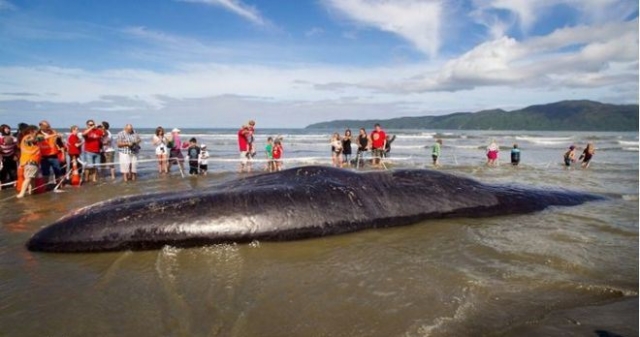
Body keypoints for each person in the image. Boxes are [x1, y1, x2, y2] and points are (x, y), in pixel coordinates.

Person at [37, 120, 65, 187]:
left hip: (54, 155)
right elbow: (41, 138)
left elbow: (60, 143)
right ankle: (45, 186)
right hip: (43, 156)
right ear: (41, 126)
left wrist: (63, 153)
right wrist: (54, 134)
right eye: (46, 126)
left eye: (48, 126)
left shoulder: (53, 132)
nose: (47, 127)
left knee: (58, 171)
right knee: (45, 173)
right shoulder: (38, 134)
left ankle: (60, 185)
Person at [17, 125, 40, 198]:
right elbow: (32, 140)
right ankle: (21, 193)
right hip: (30, 162)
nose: (37, 132)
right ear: (32, 131)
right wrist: (53, 135)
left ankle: (32, 192)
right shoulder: (28, 138)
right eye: (36, 131)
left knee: (32, 178)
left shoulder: (27, 138)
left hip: (31, 162)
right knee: (28, 178)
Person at [0, 124, 18, 188]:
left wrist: (16, 155)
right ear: (2, 130)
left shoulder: (13, 138)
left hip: (11, 155)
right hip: (3, 156)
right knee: (3, 171)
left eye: (8, 128)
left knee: (13, 171)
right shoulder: (0, 138)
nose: (8, 130)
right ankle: (2, 184)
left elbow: (16, 147)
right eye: (6, 129)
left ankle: (15, 183)